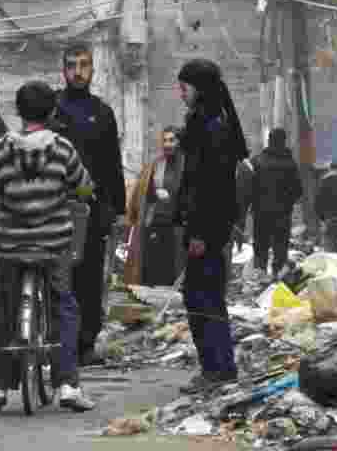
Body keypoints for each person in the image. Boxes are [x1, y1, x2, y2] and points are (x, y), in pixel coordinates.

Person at [0, 80, 96, 413]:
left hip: (12, 246)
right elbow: (83, 187)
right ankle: (69, 386)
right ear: (52, 111)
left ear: (18, 111)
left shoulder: (0, 149)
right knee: (63, 308)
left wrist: (6, 199)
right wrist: (80, 194)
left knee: (6, 310)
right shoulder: (62, 149)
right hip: (53, 244)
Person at [173, 59, 249, 394]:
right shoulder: (213, 121)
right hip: (212, 226)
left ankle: (216, 368)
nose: (180, 93)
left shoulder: (210, 126)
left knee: (201, 296)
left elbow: (209, 186)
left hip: (208, 228)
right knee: (206, 295)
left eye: (184, 87)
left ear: (199, 89)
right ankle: (219, 367)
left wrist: (200, 233)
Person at [50, 43, 126, 366]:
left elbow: (112, 164)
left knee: (90, 278)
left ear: (93, 70)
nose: (77, 71)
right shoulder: (51, 109)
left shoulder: (103, 112)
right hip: (53, 208)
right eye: (71, 65)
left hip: (92, 210)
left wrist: (117, 210)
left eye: (83, 65)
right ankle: (56, 343)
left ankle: (85, 344)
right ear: (63, 70)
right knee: (56, 276)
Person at [125, 126, 186, 286]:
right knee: (155, 273)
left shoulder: (187, 164)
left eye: (172, 140)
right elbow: (143, 191)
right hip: (157, 224)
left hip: (179, 227)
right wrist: (154, 194)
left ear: (180, 142)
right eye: (165, 140)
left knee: (177, 270)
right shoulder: (156, 164)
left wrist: (173, 198)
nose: (167, 144)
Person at [250, 128, 302, 278]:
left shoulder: (257, 161)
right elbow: (298, 190)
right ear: (283, 141)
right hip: (283, 214)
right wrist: (288, 201)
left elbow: (249, 187)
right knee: (280, 245)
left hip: (261, 213)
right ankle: (277, 275)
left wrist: (254, 202)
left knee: (260, 244)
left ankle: (259, 274)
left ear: (269, 140)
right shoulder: (290, 164)